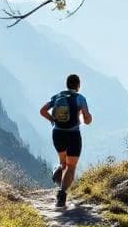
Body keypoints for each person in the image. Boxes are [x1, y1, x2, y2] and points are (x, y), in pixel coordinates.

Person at [39, 74, 92, 209]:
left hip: (58, 134)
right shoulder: (80, 98)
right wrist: (86, 117)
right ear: (78, 86)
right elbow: (87, 120)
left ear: (67, 85)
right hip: (73, 135)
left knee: (64, 163)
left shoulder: (57, 96)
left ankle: (58, 174)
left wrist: (52, 120)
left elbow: (43, 111)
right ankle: (62, 194)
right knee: (71, 166)